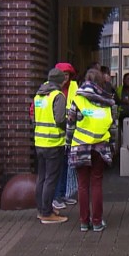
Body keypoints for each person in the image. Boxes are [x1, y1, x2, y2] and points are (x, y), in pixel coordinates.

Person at [66, 68, 117, 232]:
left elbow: (70, 125)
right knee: (96, 184)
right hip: (100, 148)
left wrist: (68, 143)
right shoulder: (108, 102)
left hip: (80, 146)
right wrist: (113, 146)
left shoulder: (78, 101)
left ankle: (83, 222)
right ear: (100, 83)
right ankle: (96, 222)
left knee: (82, 185)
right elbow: (113, 127)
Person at [33, 68, 70, 224]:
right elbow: (60, 119)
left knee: (42, 177)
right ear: (61, 81)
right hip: (53, 142)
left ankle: (42, 209)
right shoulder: (58, 96)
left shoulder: (39, 95)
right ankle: (47, 214)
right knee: (51, 179)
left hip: (39, 141)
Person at [53, 62, 79, 209]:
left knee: (67, 167)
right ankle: (56, 196)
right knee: (57, 169)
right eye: (62, 75)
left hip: (69, 135)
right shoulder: (49, 89)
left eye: (67, 75)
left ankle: (63, 194)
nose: (64, 78)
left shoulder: (74, 87)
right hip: (54, 137)